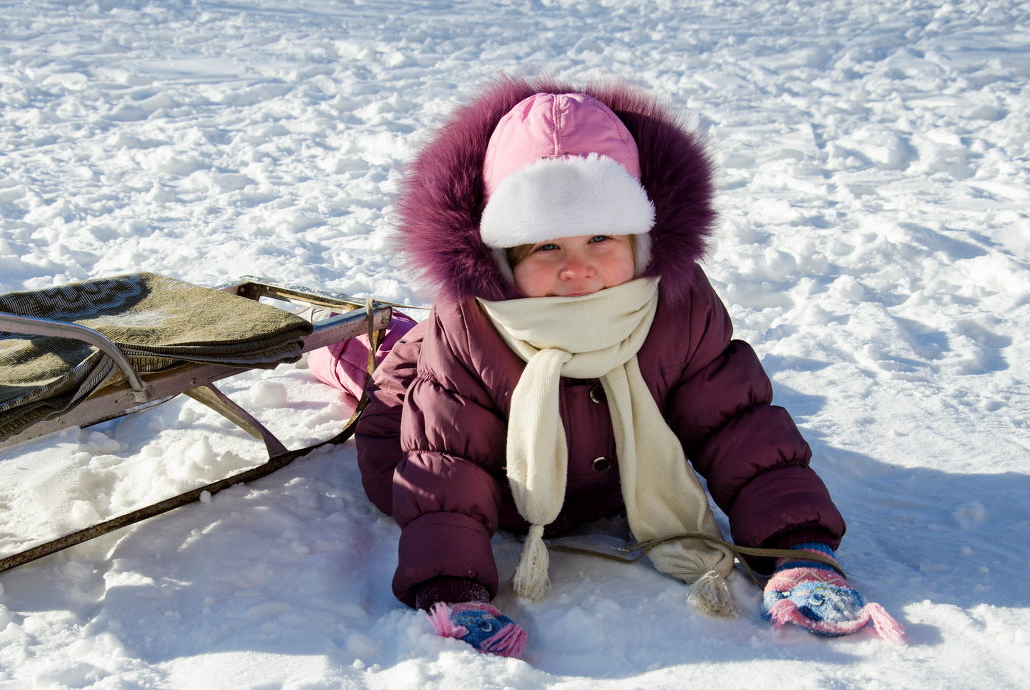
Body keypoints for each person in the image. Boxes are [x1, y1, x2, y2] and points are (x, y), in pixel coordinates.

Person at [310, 78, 903, 657]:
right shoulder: (471, 324)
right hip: (469, 462)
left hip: (602, 474)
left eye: (600, 237)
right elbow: (447, 465)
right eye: (546, 246)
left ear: (641, 237)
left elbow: (737, 426)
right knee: (391, 375)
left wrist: (797, 550)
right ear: (502, 256)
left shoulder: (677, 306)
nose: (578, 268)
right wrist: (452, 585)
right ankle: (347, 347)